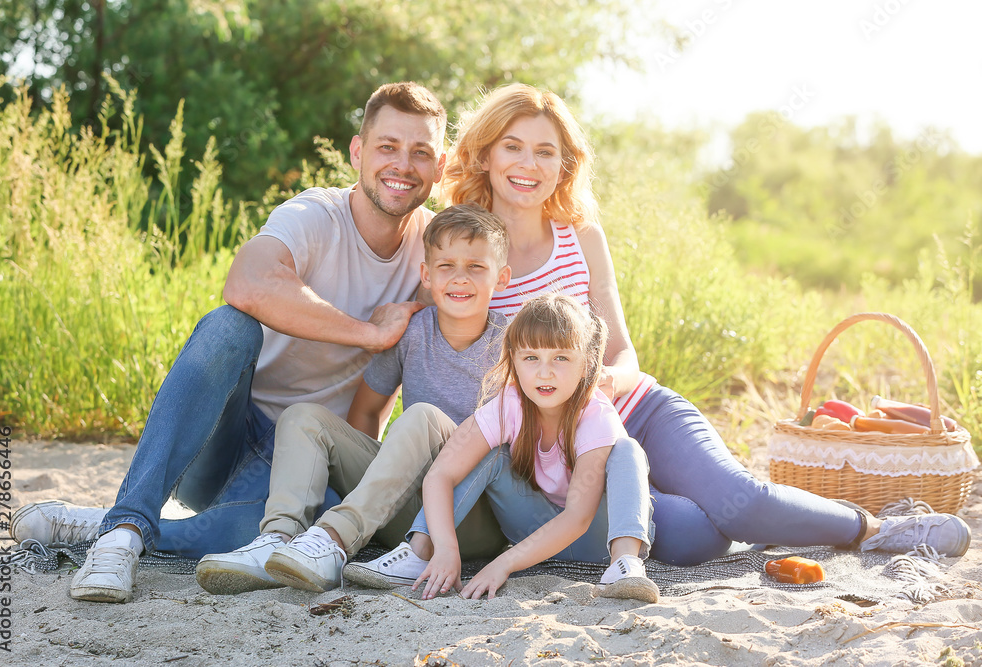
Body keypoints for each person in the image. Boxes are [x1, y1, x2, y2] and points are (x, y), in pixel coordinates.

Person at [435, 83, 972, 565]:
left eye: (545, 151)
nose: (528, 163)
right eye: (513, 146)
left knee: (740, 499)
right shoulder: (460, 251)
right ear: (484, 155)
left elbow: (623, 351)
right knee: (697, 537)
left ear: (563, 166)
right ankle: (743, 519)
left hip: (634, 408)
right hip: (563, 448)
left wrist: (604, 381)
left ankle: (875, 528)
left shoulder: (582, 238)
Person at [8, 81, 449, 603]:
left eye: (421, 152)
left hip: (301, 459)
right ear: (357, 151)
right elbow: (247, 283)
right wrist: (368, 333)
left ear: (439, 168)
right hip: (223, 436)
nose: (403, 165)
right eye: (387, 147)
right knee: (229, 326)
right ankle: (122, 531)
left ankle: (100, 525)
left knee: (279, 541)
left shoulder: (437, 252)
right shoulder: (315, 215)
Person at [194, 203, 512, 595]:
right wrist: (379, 483)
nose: (460, 278)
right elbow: (365, 413)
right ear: (426, 276)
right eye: (446, 266)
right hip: (408, 509)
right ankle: (277, 540)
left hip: (473, 517)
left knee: (422, 417)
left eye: (476, 267)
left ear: (503, 277)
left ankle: (333, 540)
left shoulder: (514, 345)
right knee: (304, 417)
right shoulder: (411, 333)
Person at [344, 294, 659, 602]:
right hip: (532, 530)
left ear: (586, 363)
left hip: (597, 538)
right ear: (514, 360)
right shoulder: (509, 405)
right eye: (531, 358)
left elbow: (577, 518)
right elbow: (440, 475)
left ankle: (625, 564)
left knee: (628, 450)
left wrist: (502, 564)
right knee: (491, 455)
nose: (544, 372)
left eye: (561, 358)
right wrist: (446, 548)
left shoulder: (595, 415)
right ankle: (420, 552)